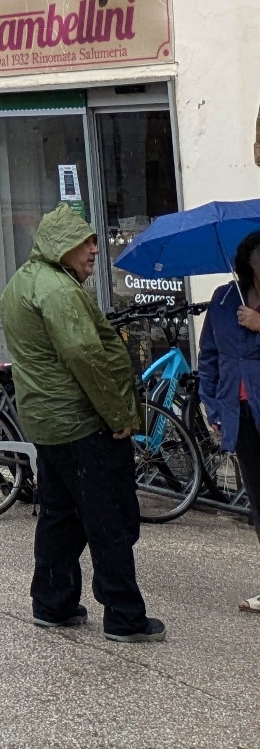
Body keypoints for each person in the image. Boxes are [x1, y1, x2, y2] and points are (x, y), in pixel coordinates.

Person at [0, 204, 164, 641]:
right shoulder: (58, 290)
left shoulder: (22, 282)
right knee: (109, 518)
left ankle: (52, 604)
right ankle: (124, 617)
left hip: (48, 423)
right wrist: (119, 416)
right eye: (85, 242)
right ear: (61, 246)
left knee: (60, 515)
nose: (95, 249)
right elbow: (85, 357)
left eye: (94, 240)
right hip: (82, 423)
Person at [197, 229, 260, 612]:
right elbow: (209, 357)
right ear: (246, 263)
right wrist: (214, 409)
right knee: (258, 497)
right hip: (239, 413)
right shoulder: (224, 298)